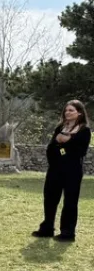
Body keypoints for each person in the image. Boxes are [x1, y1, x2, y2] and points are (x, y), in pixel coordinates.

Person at [32, 100, 89, 242]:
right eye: (66, 110)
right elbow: (51, 149)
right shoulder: (59, 128)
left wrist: (63, 144)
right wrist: (62, 145)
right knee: (50, 199)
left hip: (72, 172)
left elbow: (78, 152)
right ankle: (47, 228)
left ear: (79, 113)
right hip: (55, 170)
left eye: (71, 110)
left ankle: (68, 232)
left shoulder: (84, 131)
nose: (67, 112)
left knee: (70, 202)